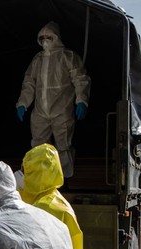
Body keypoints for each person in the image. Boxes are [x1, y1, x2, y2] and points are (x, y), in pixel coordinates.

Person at [16, 21, 91, 179]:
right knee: (38, 147)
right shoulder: (38, 59)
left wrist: (81, 101)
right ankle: (40, 179)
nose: (45, 40)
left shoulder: (68, 56)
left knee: (63, 146)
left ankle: (64, 182)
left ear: (56, 37)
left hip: (61, 110)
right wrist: (23, 103)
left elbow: (80, 79)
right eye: (42, 37)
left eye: (48, 36)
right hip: (40, 111)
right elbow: (29, 82)